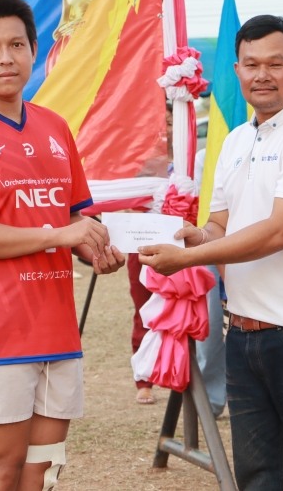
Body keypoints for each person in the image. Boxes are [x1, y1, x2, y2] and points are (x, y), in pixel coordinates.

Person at [139, 15, 283, 491]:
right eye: (251, 64)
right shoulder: (236, 139)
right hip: (242, 331)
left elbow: (280, 232)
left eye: (275, 63)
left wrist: (186, 260)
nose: (262, 74)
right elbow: (220, 225)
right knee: (260, 478)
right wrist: (191, 237)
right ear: (236, 70)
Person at [0, 0, 125, 491]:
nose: (6, 58)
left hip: (56, 328)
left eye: (17, 45)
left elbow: (74, 217)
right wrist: (61, 233)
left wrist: (96, 248)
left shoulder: (54, 126)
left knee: (43, 471)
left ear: (35, 50)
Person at [127, 102, 172, 404]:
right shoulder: (138, 164)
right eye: (159, 123)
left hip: (182, 245)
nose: (165, 129)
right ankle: (144, 380)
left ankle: (180, 371)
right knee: (143, 309)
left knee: (183, 311)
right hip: (142, 246)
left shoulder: (191, 163)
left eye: (170, 121)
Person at [193, 147, 227, 418]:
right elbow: (205, 206)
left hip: (259, 245)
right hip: (215, 244)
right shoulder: (208, 154)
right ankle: (212, 402)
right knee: (212, 326)